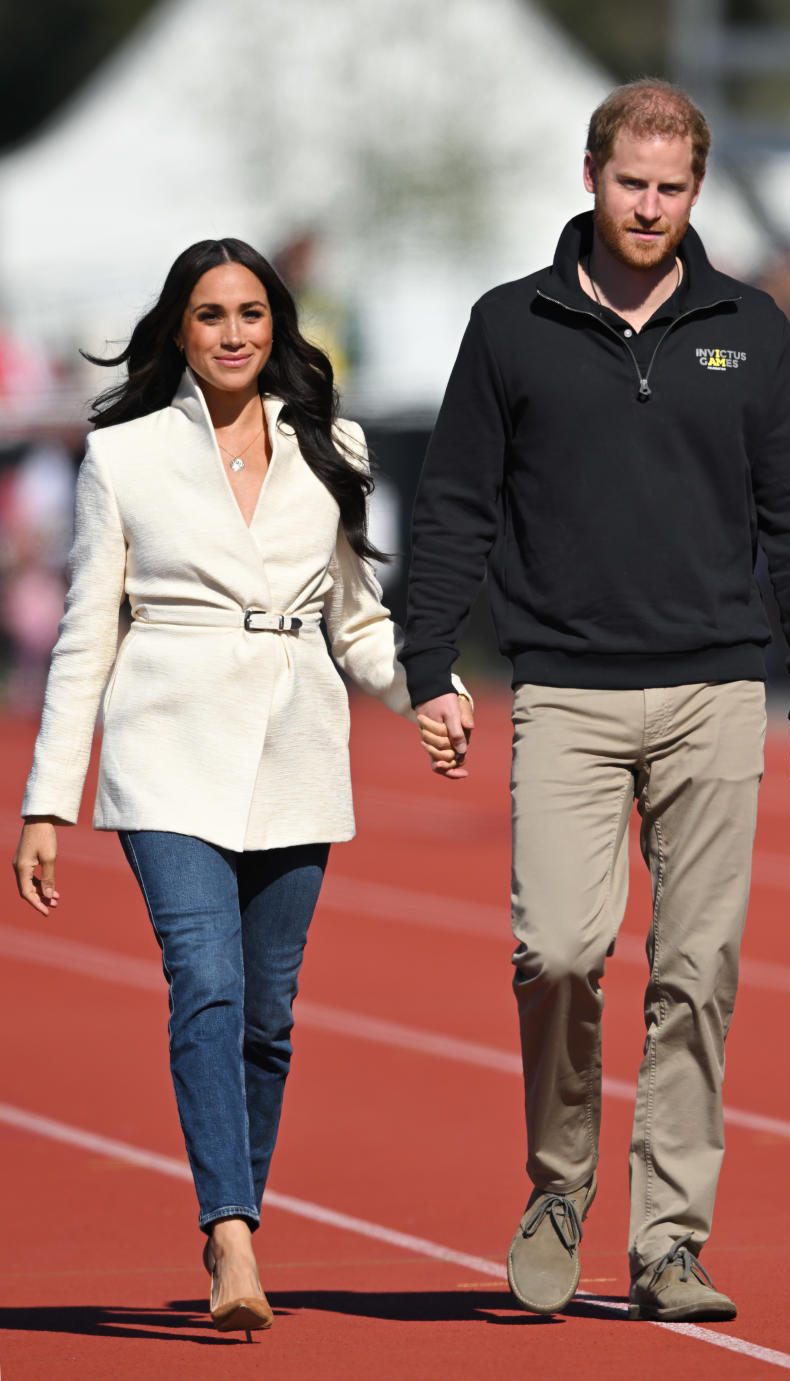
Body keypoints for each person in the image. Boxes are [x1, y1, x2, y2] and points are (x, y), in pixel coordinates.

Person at [403, 80, 790, 1322]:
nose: (649, 207)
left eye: (672, 188)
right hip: (565, 690)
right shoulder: (511, 325)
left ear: (696, 192)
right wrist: (428, 664)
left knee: (696, 972)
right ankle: (558, 1185)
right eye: (630, 183)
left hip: (717, 689)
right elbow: (450, 508)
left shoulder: (752, 329)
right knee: (557, 951)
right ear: (590, 174)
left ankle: (668, 1240)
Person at [12, 239, 470, 1338]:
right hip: (165, 744)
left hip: (297, 747)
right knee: (205, 983)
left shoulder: (336, 445)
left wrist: (428, 697)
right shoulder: (121, 455)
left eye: (252, 313)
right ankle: (231, 1232)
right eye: (211, 314)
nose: (232, 333)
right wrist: (45, 800)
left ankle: (237, 1204)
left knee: (269, 1016)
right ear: (180, 328)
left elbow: (358, 617)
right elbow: (85, 635)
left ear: (278, 326)